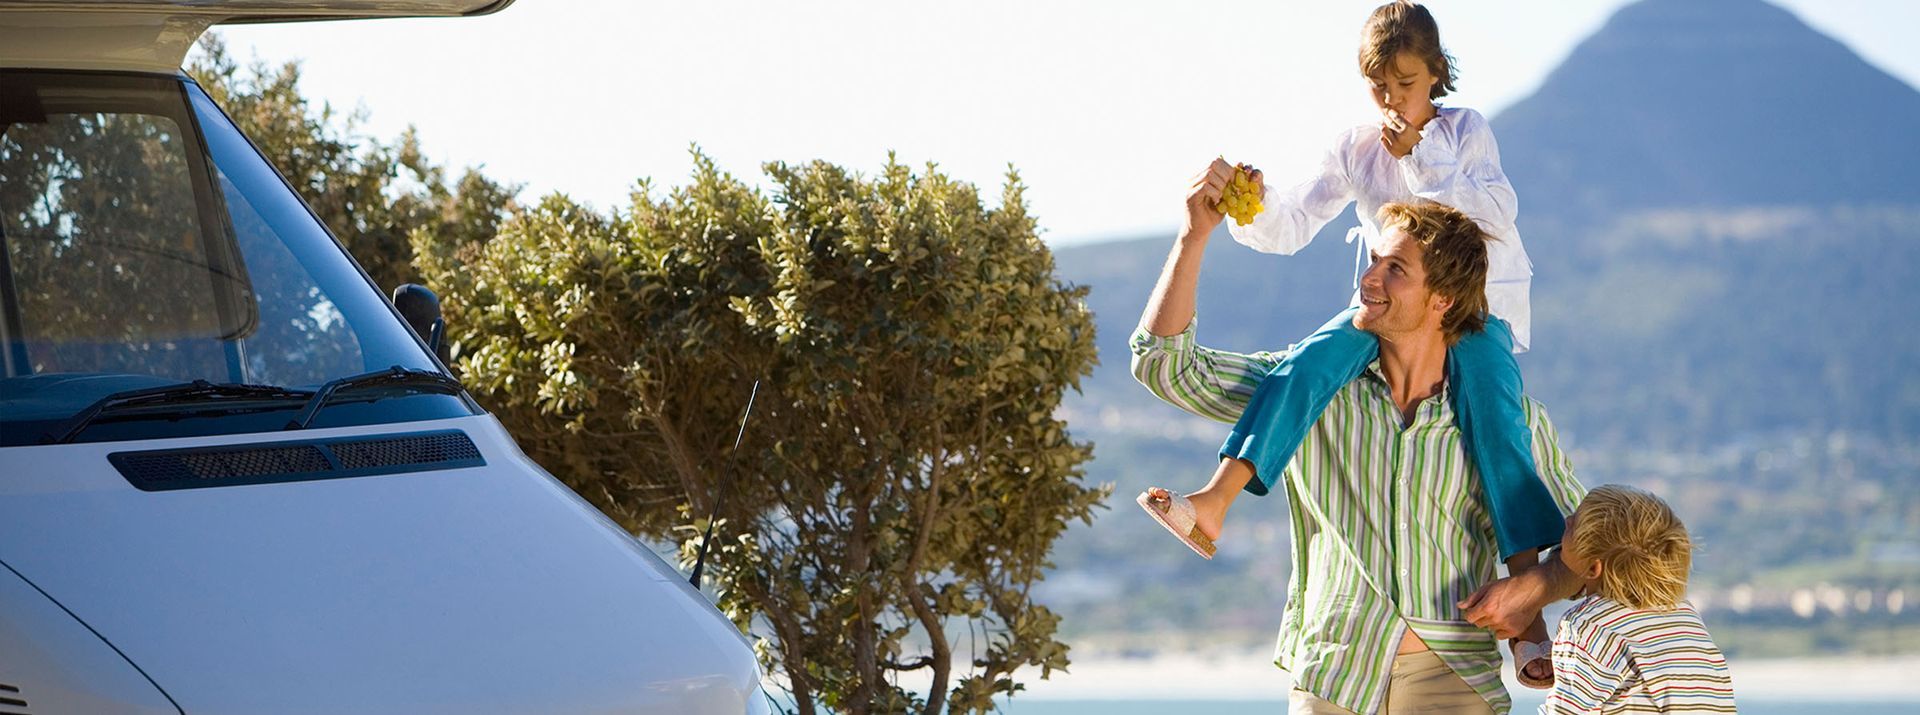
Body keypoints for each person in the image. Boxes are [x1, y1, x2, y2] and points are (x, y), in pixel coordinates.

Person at [1137, 0, 1561, 685]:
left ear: (1436, 74)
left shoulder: (1465, 132)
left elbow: (1492, 214)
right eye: (1378, 86)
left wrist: (1419, 154)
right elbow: (1293, 223)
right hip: (1385, 308)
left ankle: (1527, 611)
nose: (1392, 99)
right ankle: (1213, 504)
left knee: (1495, 424)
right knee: (1304, 367)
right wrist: (1252, 200)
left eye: (1406, 83)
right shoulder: (1354, 148)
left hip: (1475, 313)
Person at [1131, 192, 1586, 714]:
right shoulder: (1307, 390)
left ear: (1442, 299)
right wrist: (1194, 235)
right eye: (1373, 261)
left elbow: (1594, 546)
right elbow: (1166, 368)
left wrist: (1535, 588)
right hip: (1334, 678)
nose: (1369, 279)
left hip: (1454, 682)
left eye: (1395, 269)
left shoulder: (1512, 417)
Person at [1535, 485, 1735, 714]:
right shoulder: (1686, 618)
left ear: (1592, 567)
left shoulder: (1586, 626)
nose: (1567, 520)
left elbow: (1565, 711)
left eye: (1573, 526)